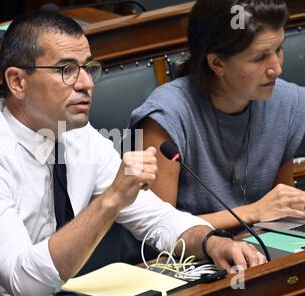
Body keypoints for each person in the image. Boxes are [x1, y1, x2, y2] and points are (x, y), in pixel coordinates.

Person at [0, 10, 265, 296]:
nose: (87, 82)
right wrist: (112, 200)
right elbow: (25, 283)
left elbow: (155, 219)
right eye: (67, 70)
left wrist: (211, 241)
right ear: (17, 82)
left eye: (87, 67)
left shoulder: (77, 135)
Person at [130, 0, 305, 230]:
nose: (276, 68)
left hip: (256, 250)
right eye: (259, 58)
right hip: (182, 260)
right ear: (217, 63)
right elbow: (157, 228)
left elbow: (283, 211)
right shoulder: (164, 118)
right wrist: (253, 211)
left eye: (278, 50)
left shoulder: (285, 101)